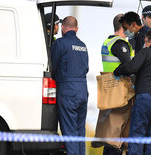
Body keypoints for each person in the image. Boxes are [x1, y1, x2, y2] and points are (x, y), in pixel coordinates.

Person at [114, 29, 151, 155]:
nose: (144, 44)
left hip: (146, 97)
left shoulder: (146, 52)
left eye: (145, 42)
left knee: (137, 134)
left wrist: (117, 71)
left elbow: (131, 67)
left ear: (150, 41)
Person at [51, 16, 89, 155]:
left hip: (68, 91)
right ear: (77, 29)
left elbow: (52, 67)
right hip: (83, 91)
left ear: (62, 27)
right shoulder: (83, 46)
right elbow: (86, 68)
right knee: (80, 132)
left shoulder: (60, 43)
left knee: (70, 131)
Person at [101, 13, 134, 155]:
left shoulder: (108, 41)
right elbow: (129, 65)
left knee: (110, 130)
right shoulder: (119, 44)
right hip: (119, 89)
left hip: (108, 87)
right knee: (116, 131)